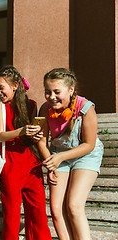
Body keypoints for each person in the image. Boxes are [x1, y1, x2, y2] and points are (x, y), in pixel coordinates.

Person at [37, 68, 103, 240]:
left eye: (57, 92)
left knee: (74, 205)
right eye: (47, 92)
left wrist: (58, 158)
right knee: (56, 209)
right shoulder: (45, 109)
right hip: (58, 155)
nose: (52, 97)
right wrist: (51, 164)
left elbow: (89, 144)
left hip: (86, 154)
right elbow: (42, 142)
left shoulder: (86, 108)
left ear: (71, 89)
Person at [0, 66, 51, 239]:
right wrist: (23, 130)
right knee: (11, 214)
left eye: (0, 87)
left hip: (32, 163)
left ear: (15, 85)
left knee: (38, 211)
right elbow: (0, 135)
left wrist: (35, 135)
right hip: (10, 163)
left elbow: (32, 137)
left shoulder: (31, 105)